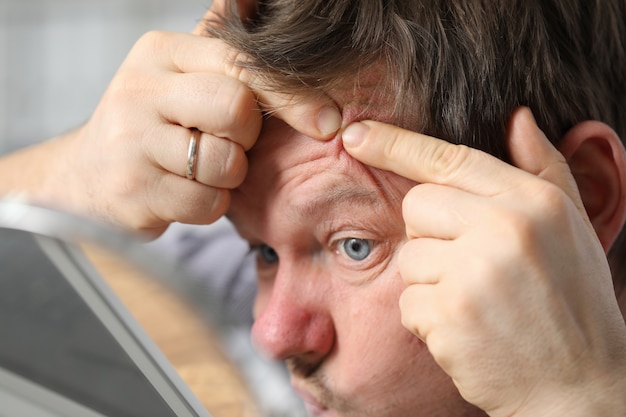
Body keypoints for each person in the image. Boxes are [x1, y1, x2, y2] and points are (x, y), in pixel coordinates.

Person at [1, 1, 625, 417]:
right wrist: (67, 178)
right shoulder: (210, 283)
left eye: (354, 245)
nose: (270, 336)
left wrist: (575, 397)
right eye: (263, 251)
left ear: (585, 198)